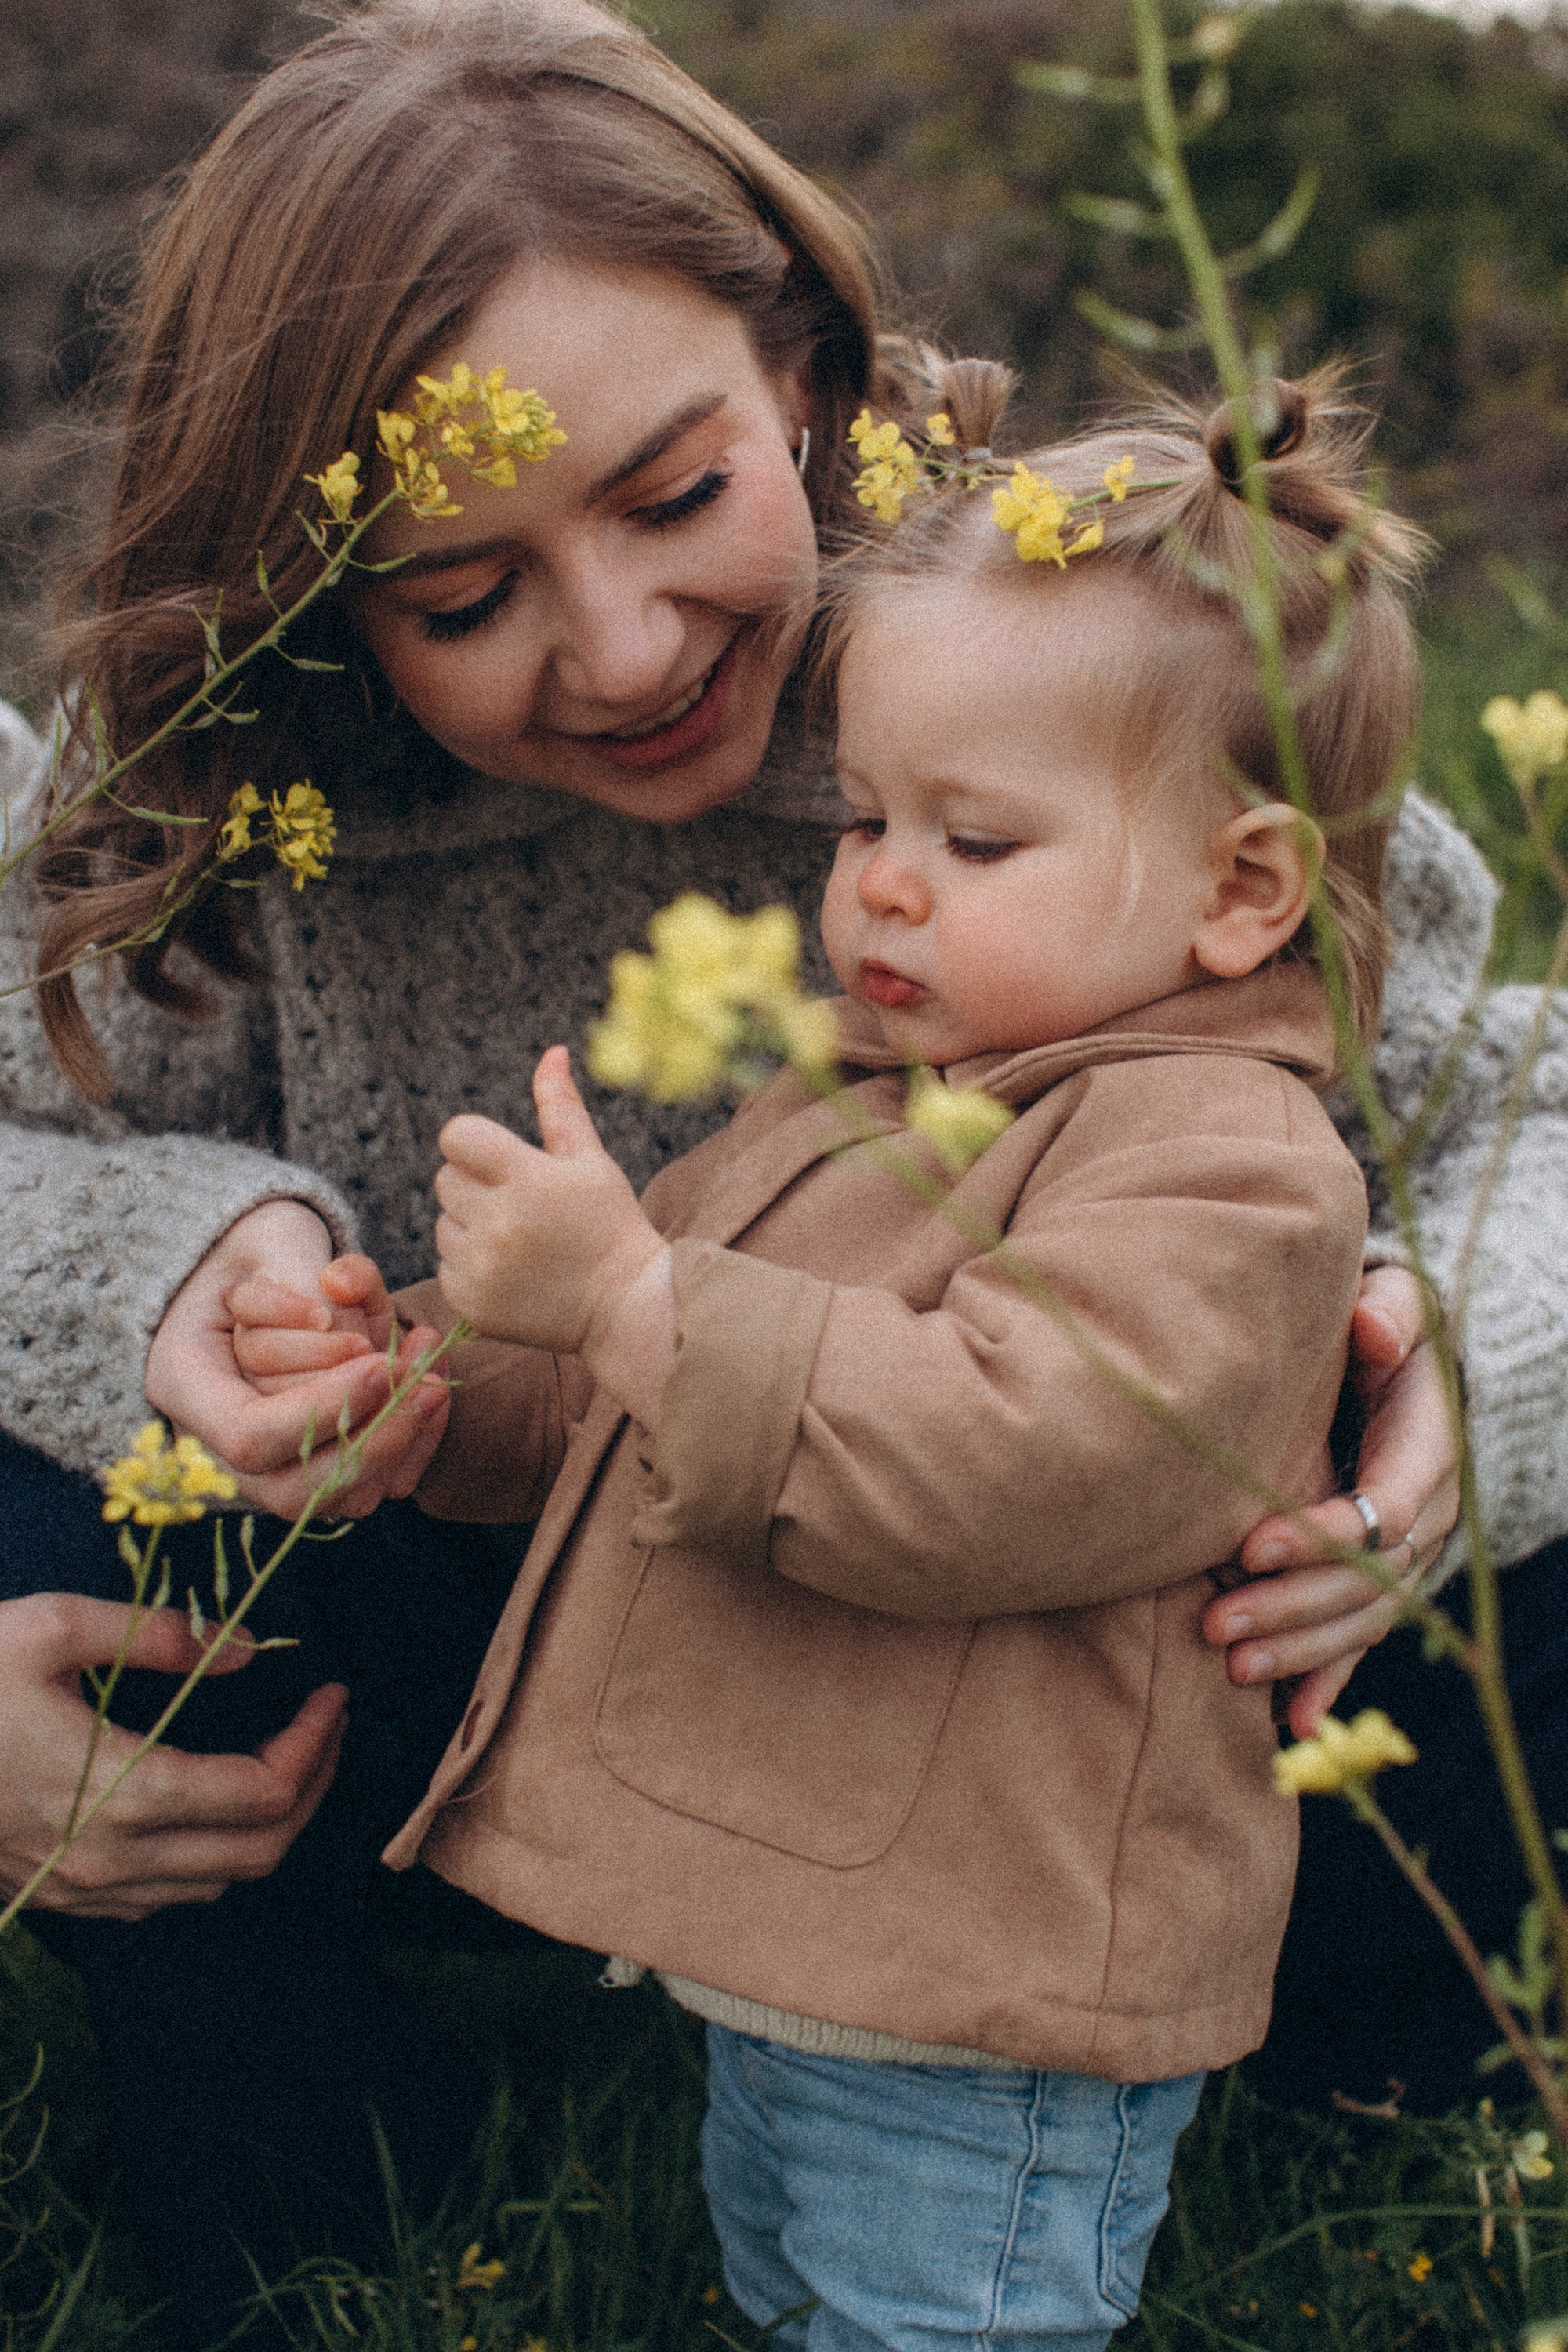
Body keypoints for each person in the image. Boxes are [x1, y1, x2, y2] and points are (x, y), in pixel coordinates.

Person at [0, 0, 1550, 2331]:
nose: (620, 648)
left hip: (1067, 1695)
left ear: (803, 370)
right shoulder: (227, 786)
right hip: (522, 1661)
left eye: (670, 493)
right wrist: (200, 1257)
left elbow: (1513, 1086)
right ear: (319, 589)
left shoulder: (1052, 654)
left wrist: (1465, 1361)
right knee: (124, 1481)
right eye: (458, 595)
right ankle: (307, 2217)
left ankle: (1377, 2090)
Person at [240, 363, 1410, 2348]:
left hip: (992, 1990)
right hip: (813, 1947)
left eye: (972, 838)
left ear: (1241, 894)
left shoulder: (1230, 1160)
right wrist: (427, 1384)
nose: (877, 881)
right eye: (867, 813)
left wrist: (622, 1295)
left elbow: (1011, 1453)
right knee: (792, 2293)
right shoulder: (873, 1092)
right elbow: (644, 1366)